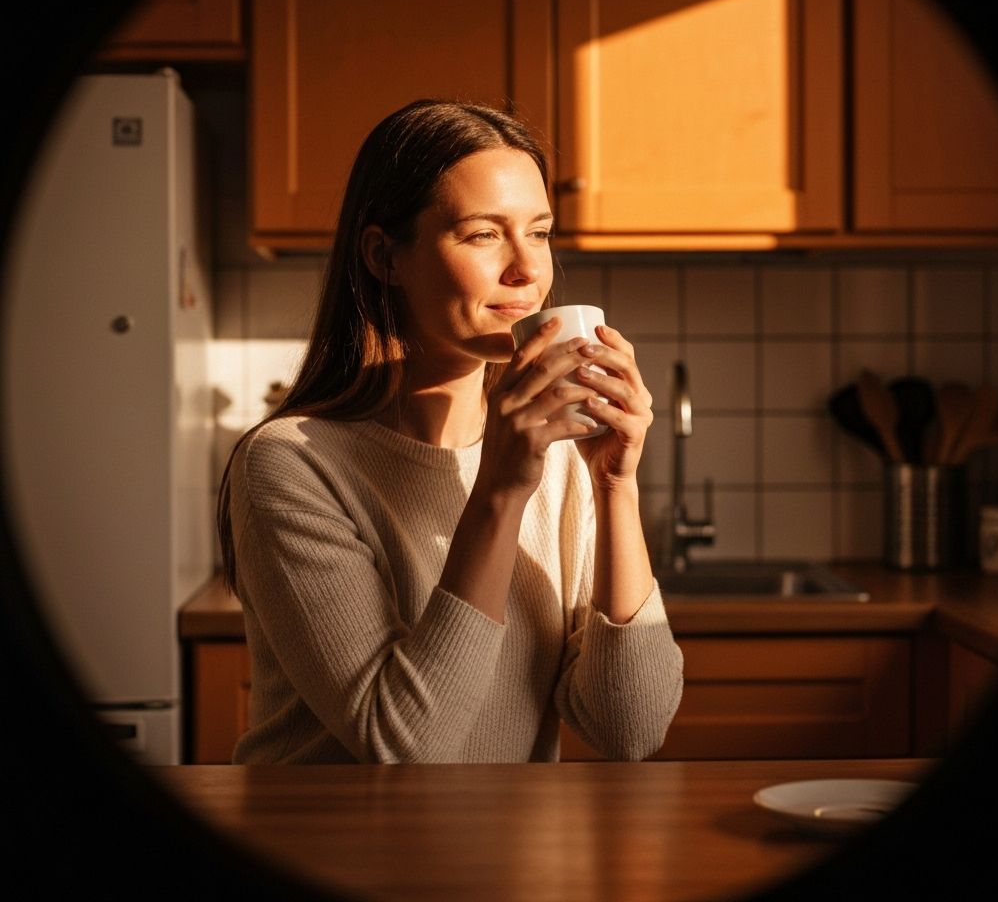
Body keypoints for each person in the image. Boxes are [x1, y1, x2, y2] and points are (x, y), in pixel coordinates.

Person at [218, 99, 684, 764]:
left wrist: (616, 485)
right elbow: (407, 749)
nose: (528, 270)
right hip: (335, 852)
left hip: (507, 862)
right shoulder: (293, 464)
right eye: (482, 235)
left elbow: (629, 729)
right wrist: (499, 488)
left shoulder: (557, 455)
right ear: (384, 256)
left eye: (540, 232)